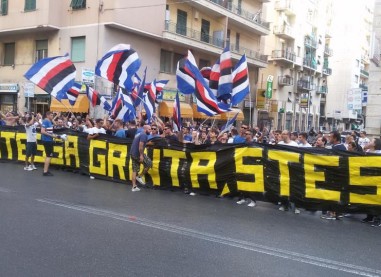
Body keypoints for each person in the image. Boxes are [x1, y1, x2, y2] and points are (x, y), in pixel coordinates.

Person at [130, 125, 152, 191]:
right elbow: (141, 145)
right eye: (150, 129)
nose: (150, 131)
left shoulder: (139, 134)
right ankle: (139, 176)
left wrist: (147, 144)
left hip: (132, 153)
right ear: (145, 129)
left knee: (134, 170)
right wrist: (141, 155)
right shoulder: (144, 135)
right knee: (149, 163)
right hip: (137, 154)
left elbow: (139, 143)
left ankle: (134, 187)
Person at [41, 111, 59, 176]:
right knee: (49, 156)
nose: (52, 116)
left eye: (52, 115)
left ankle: (46, 170)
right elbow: (42, 131)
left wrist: (54, 136)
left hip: (49, 140)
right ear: (47, 115)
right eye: (51, 115)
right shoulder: (46, 121)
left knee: (48, 155)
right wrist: (52, 136)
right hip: (47, 140)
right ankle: (45, 171)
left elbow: (52, 128)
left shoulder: (49, 121)